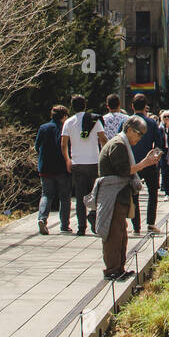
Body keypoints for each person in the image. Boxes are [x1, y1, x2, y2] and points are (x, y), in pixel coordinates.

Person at [89, 116, 162, 280]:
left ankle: (119, 268)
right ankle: (112, 270)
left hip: (119, 194)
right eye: (139, 133)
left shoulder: (122, 144)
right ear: (128, 129)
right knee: (113, 234)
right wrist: (145, 163)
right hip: (112, 195)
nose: (140, 137)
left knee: (121, 234)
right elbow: (123, 170)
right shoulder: (118, 144)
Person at [61, 95, 106, 236]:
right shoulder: (94, 120)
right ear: (85, 105)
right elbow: (103, 139)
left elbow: (63, 144)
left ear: (72, 107)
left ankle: (81, 227)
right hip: (94, 162)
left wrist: (68, 160)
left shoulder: (68, 122)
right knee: (96, 193)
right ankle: (93, 214)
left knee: (80, 196)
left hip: (77, 163)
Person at [128, 94, 165, 234]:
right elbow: (159, 144)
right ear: (145, 107)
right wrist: (156, 159)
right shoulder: (151, 123)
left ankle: (136, 226)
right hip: (149, 162)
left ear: (132, 106)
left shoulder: (127, 123)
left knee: (134, 195)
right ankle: (150, 223)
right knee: (152, 192)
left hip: (132, 163)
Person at [34, 104, 71, 234]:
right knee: (64, 197)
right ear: (64, 116)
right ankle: (64, 225)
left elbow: (36, 146)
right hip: (62, 167)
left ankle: (42, 219)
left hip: (45, 167)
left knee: (46, 195)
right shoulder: (65, 128)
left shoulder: (43, 128)